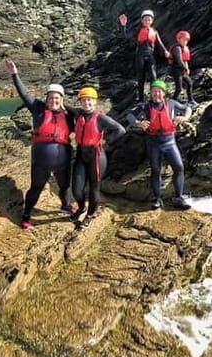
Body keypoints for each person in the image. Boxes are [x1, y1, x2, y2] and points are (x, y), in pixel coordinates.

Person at [5, 60, 77, 229]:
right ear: (47, 99)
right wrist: (15, 75)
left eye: (57, 98)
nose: (53, 100)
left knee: (65, 186)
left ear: (61, 99)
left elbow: (86, 122)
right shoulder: (37, 109)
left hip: (63, 160)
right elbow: (24, 94)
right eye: (51, 98)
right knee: (35, 188)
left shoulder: (68, 115)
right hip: (41, 161)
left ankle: (65, 206)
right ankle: (27, 215)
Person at [126, 79, 192, 210]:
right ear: (150, 92)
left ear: (164, 93)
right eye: (154, 91)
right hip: (153, 143)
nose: (157, 94)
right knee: (156, 171)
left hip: (169, 142)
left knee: (179, 167)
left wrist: (185, 118)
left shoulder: (171, 103)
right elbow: (129, 116)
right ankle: (157, 199)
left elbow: (188, 108)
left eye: (159, 91)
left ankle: (179, 197)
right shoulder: (145, 106)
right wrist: (138, 123)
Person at [68, 87, 126, 231]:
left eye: (89, 100)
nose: (86, 102)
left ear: (95, 101)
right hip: (81, 154)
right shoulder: (78, 113)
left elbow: (120, 130)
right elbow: (64, 107)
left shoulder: (101, 118)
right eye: (83, 100)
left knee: (94, 188)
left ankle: (90, 215)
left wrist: (105, 141)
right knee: (76, 189)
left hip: (96, 156)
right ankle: (81, 208)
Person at [119, 10, 170, 102]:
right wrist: (123, 25)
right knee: (141, 78)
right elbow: (125, 36)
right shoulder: (138, 30)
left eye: (149, 20)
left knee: (153, 77)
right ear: (142, 21)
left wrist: (166, 51)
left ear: (152, 21)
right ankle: (141, 100)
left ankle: (154, 98)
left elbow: (159, 43)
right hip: (140, 55)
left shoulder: (154, 31)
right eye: (145, 20)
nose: (147, 22)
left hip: (150, 55)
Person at [168, 30, 197, 107]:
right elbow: (179, 60)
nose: (185, 41)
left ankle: (191, 100)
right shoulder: (176, 48)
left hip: (182, 70)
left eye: (186, 40)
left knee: (189, 83)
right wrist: (185, 69)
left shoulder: (185, 48)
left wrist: (187, 69)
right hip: (176, 70)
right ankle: (173, 101)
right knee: (179, 88)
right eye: (183, 39)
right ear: (178, 39)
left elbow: (185, 60)